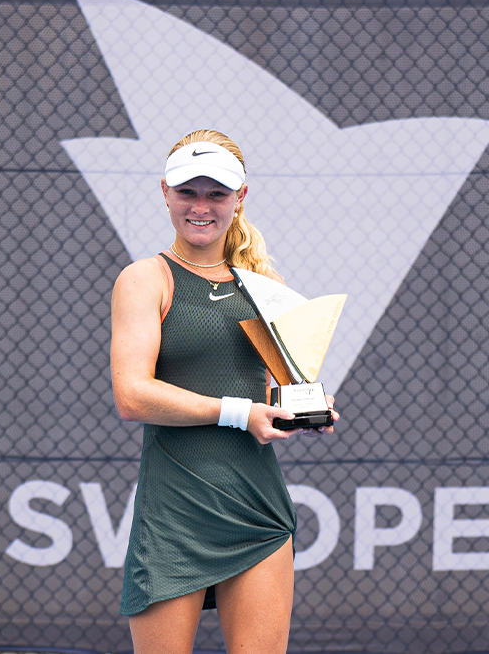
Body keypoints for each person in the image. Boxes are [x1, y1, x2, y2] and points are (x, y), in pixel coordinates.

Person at [109, 129, 337, 654]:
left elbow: (276, 393)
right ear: (165, 192)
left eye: (216, 193)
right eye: (187, 192)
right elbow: (133, 395)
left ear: (240, 197)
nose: (200, 207)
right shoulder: (145, 279)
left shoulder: (264, 288)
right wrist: (241, 413)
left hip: (256, 509)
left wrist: (305, 410)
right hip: (174, 512)